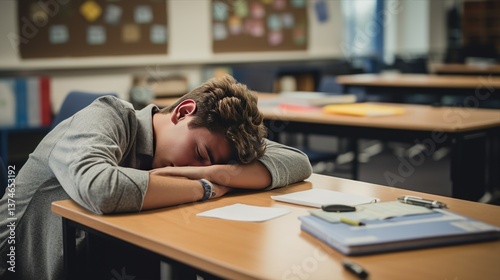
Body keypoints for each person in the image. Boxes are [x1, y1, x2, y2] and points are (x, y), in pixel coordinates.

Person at [0, 74, 312, 280]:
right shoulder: (110, 115)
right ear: (183, 112)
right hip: (15, 264)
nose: (192, 165)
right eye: (200, 154)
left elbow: (297, 161)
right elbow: (101, 189)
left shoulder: (207, 148)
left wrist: (214, 171)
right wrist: (204, 188)